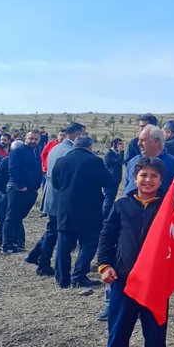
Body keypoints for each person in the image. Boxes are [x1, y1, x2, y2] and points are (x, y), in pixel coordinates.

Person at [85, 157, 170, 347]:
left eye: (154, 176)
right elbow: (106, 237)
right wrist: (105, 265)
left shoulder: (169, 207)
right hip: (124, 281)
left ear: (161, 180)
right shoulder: (122, 205)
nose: (148, 180)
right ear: (135, 178)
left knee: (155, 337)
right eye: (144, 175)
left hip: (155, 285)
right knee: (118, 334)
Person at [50, 135, 114, 290]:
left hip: (65, 209)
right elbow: (109, 182)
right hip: (89, 210)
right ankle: (78, 275)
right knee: (89, 244)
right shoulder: (95, 161)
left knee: (63, 245)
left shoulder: (61, 162)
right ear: (90, 147)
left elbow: (56, 184)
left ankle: (62, 278)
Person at [28, 123, 84, 274]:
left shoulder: (57, 147)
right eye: (83, 133)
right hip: (60, 196)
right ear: (77, 134)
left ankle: (35, 256)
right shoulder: (68, 151)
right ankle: (43, 264)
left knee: (52, 228)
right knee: (54, 230)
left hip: (53, 193)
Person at [2, 130, 43, 254]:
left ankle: (18, 243)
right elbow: (13, 169)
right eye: (31, 138)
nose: (33, 141)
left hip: (30, 190)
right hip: (17, 188)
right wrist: (21, 185)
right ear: (25, 138)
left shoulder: (35, 152)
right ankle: (7, 245)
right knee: (11, 216)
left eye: (36, 139)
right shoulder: (18, 151)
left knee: (18, 217)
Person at [124, 124, 174, 198]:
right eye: (139, 140)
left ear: (156, 141)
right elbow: (127, 187)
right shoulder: (133, 162)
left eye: (143, 140)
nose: (139, 144)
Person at [103, 138, 126, 220]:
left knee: (111, 200)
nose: (121, 145)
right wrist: (122, 152)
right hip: (110, 181)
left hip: (115, 181)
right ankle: (104, 218)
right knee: (108, 202)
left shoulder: (116, 154)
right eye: (119, 144)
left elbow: (122, 161)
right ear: (114, 144)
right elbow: (119, 162)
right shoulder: (109, 154)